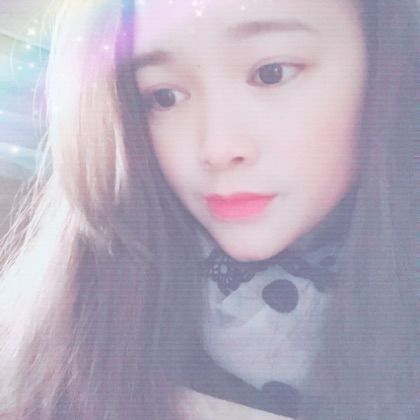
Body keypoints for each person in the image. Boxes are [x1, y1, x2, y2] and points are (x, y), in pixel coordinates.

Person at [0, 0, 418, 418]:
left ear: (386, 64)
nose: (217, 148)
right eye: (164, 97)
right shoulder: (76, 319)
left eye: (271, 74)